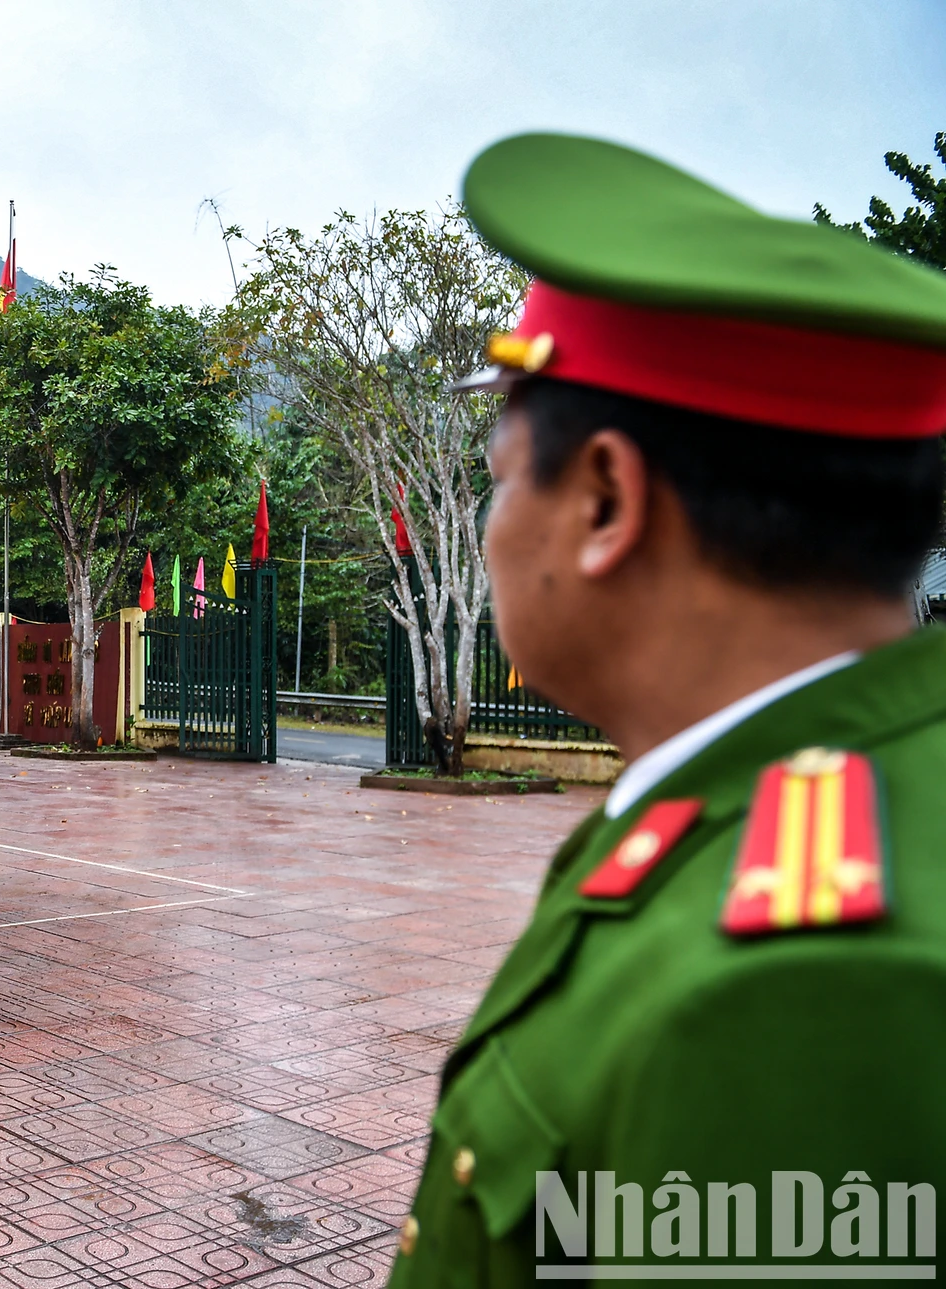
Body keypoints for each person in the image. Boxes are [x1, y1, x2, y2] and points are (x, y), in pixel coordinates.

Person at [389, 133, 946, 1286]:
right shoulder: (781, 801)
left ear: (603, 496)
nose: (492, 528)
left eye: (498, 473)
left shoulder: (796, 986)